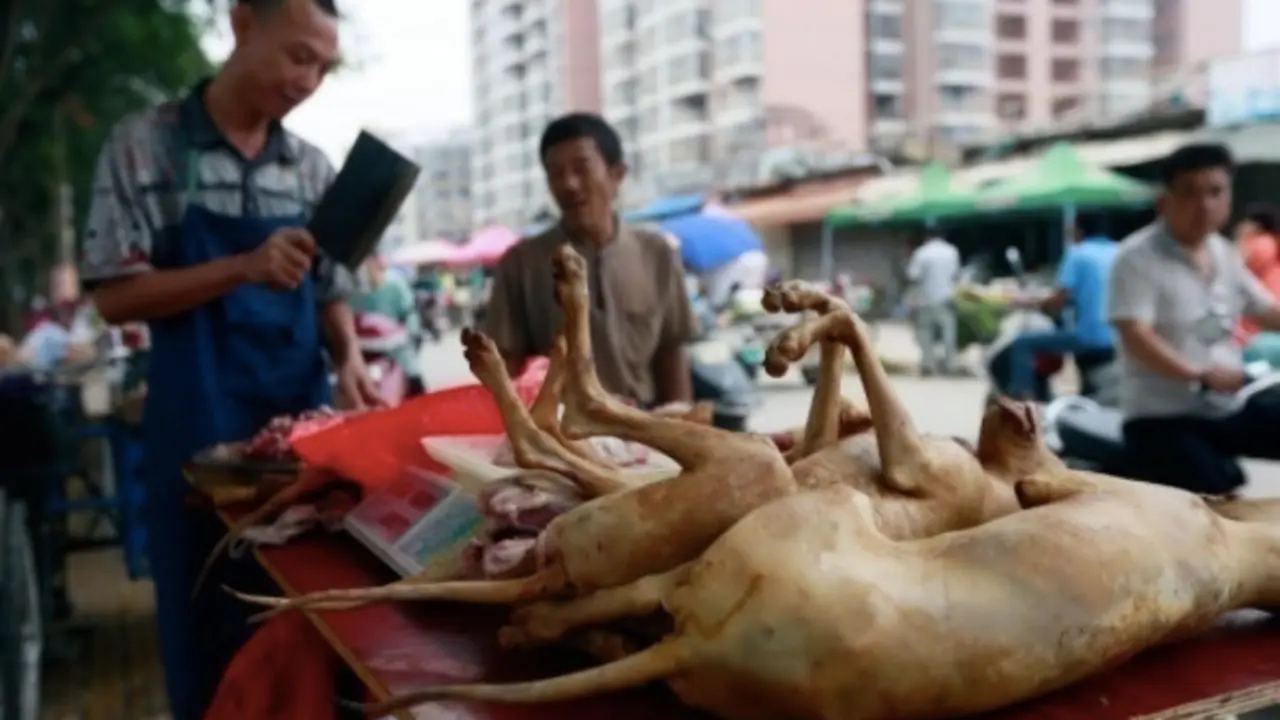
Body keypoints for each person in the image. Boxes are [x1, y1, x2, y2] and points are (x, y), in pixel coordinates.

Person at [77, 1, 380, 717]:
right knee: (204, 620)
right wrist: (242, 267)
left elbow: (330, 289)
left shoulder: (309, 168)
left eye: (323, 68)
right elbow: (113, 297)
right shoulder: (145, 148)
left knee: (302, 621)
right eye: (299, 56)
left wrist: (349, 358)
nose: (309, 81)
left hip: (297, 440)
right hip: (194, 432)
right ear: (244, 24)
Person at [485, 113, 695, 407]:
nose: (569, 184)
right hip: (561, 429)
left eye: (581, 169)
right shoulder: (521, 264)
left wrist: (679, 424)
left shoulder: (657, 255)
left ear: (617, 175)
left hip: (644, 425)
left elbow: (671, 354)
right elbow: (506, 371)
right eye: (556, 173)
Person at [1109, 143, 1280, 496]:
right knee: (1216, 498)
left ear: (1229, 197)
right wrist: (1198, 374)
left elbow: (1263, 311)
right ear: (1165, 200)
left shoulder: (1223, 252)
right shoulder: (1136, 257)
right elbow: (1135, 333)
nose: (1205, 204)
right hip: (1161, 419)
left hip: (1226, 408)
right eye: (1190, 192)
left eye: (1216, 192)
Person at [1005, 215, 1119, 399]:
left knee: (1022, 343)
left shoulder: (1078, 253)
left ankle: (1023, 398)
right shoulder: (1119, 250)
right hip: (1119, 338)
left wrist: (1029, 302)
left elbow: (1058, 299)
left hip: (1089, 338)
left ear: (1079, 230)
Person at [351, 256, 426, 396]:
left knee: (414, 380)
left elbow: (409, 314)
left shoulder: (396, 286)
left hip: (397, 349)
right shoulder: (351, 292)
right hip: (363, 351)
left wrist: (412, 334)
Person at [906, 229, 961, 376]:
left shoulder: (922, 252)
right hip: (947, 298)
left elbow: (913, 275)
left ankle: (928, 365)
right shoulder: (952, 251)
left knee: (925, 332)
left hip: (926, 300)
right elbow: (955, 275)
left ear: (927, 237)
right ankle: (950, 365)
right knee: (948, 332)